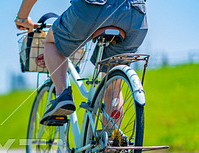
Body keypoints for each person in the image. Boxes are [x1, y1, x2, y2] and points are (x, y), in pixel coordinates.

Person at [15, 0, 148, 125]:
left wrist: (22, 18)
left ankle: (62, 95)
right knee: (113, 87)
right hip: (136, 13)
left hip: (93, 7)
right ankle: (111, 143)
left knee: (52, 42)